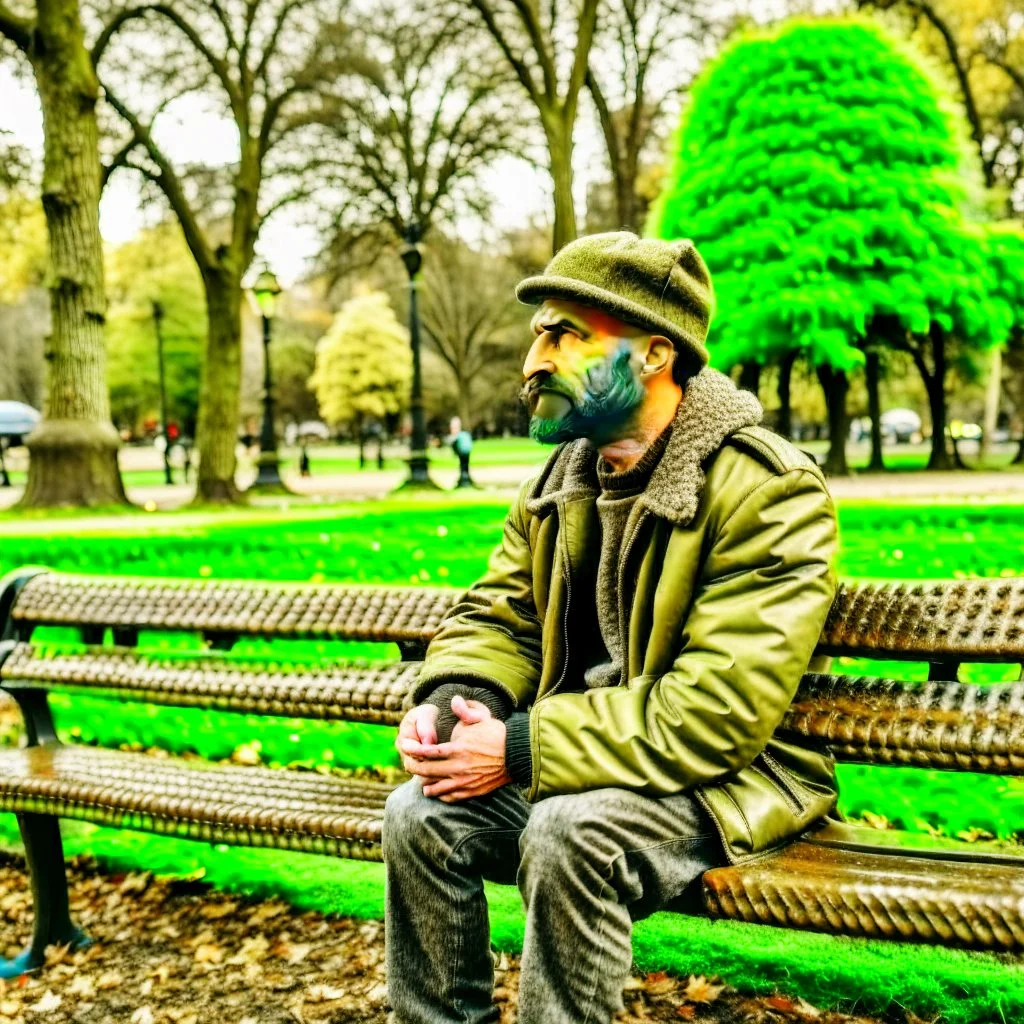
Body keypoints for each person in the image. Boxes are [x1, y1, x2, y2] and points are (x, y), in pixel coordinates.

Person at [383, 231, 839, 1024]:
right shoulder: (557, 483)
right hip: (586, 760)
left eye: (565, 334)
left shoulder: (768, 491)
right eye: (538, 336)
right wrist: (459, 702)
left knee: (571, 831)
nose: (534, 363)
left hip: (723, 782)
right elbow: (499, 614)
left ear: (655, 354)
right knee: (419, 814)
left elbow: (716, 713)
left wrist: (522, 747)